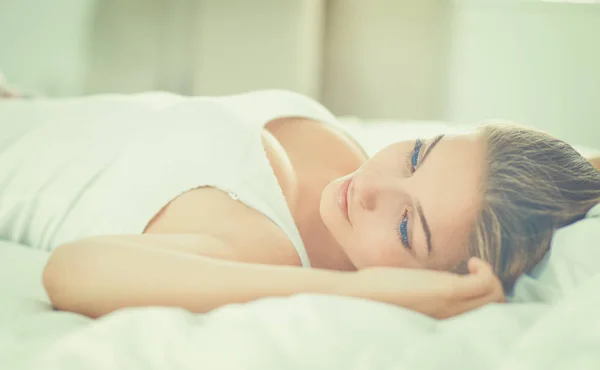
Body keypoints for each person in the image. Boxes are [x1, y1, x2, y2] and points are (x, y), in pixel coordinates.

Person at [2, 90, 599, 320]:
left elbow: (69, 271)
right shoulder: (340, 148)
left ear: (426, 281)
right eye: (418, 155)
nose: (368, 187)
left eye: (403, 226)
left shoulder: (262, 250)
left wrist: (369, 293)